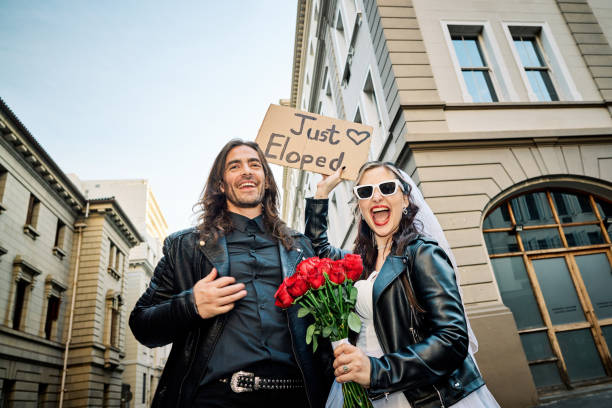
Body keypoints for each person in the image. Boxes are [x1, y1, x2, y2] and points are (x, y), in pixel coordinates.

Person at [129, 139, 333, 408]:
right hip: (215, 398)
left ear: (267, 180)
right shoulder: (185, 247)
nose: (246, 171)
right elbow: (142, 325)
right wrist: (192, 305)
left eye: (254, 164)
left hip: (297, 396)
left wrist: (320, 197)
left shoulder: (300, 247)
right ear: (221, 185)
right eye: (234, 166)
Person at [305, 161, 500, 408]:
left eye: (386, 187)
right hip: (366, 395)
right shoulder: (360, 264)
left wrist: (377, 371)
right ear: (361, 207)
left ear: (405, 199)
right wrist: (321, 194)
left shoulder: (423, 253)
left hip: (418, 397)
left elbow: (453, 338)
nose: (376, 196)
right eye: (365, 192)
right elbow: (316, 251)